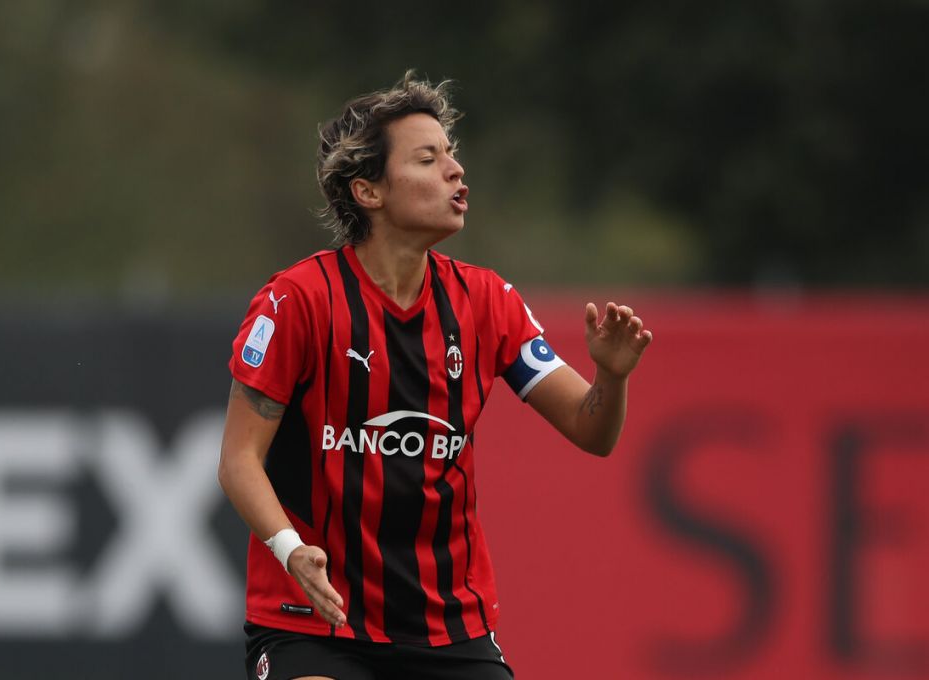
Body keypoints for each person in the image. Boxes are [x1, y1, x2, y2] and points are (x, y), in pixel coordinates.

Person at [218, 71, 652, 680]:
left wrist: (611, 376)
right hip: (315, 621)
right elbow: (238, 459)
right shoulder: (299, 301)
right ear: (368, 191)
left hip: (447, 627)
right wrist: (291, 552)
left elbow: (592, 431)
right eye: (428, 158)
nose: (455, 171)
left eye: (452, 155)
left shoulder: (487, 300)